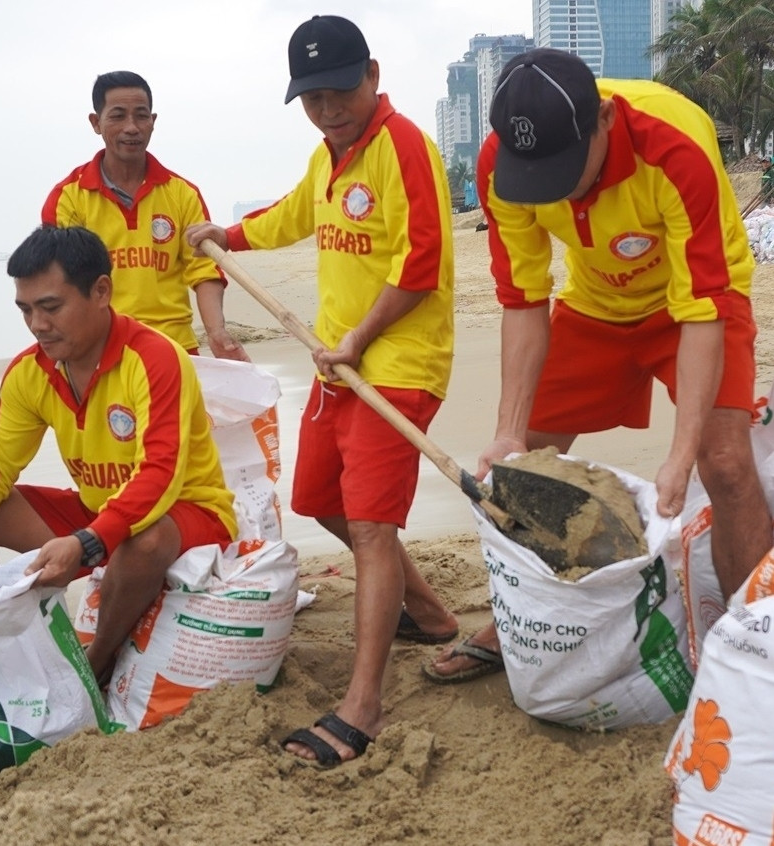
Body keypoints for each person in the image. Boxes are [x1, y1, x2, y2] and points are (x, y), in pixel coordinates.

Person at [426, 48, 772, 683]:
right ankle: (518, 622)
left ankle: (756, 636)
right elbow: (523, 300)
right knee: (522, 464)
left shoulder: (673, 146)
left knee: (723, 461)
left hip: (694, 301)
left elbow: (700, 310)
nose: (551, 186)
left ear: (605, 119)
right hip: (594, 305)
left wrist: (682, 448)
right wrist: (508, 428)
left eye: (562, 167)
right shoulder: (501, 166)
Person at [187, 14, 459, 766]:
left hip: (396, 362)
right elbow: (292, 215)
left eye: (340, 92)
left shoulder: (403, 147)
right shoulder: (327, 156)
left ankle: (362, 706)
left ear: (371, 75)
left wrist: (359, 342)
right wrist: (226, 236)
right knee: (319, 500)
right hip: (338, 362)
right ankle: (429, 611)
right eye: (312, 99)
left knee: (371, 527)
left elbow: (423, 263)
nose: (329, 109)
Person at [0, 225, 237, 684]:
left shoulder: (154, 358)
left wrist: (87, 542)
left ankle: (94, 668)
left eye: (51, 307)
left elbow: (159, 476)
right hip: (98, 515)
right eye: (26, 310)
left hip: (186, 515)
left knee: (146, 536)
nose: (37, 324)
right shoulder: (29, 371)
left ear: (101, 291)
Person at [42, 71, 249, 361]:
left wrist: (217, 331)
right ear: (96, 123)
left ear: (153, 121)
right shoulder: (69, 197)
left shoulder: (182, 193)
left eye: (141, 116)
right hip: (102, 352)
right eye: (117, 116)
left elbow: (204, 271)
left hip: (175, 351)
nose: (132, 128)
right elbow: (61, 285)